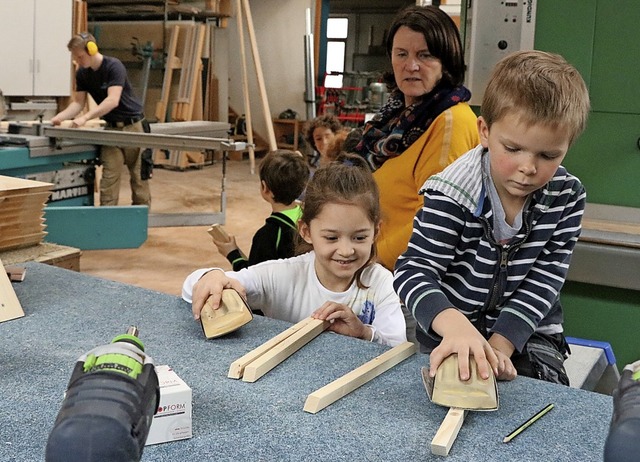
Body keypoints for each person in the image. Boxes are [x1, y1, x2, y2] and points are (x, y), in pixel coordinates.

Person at [393, 50, 591, 385]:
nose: (528, 168)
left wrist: (501, 345)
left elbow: (545, 280)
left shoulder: (567, 196)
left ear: (568, 145)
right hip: (450, 327)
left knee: (540, 401)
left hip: (528, 330)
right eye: (513, 149)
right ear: (484, 131)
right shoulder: (453, 194)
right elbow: (413, 272)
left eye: (548, 155)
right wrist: (456, 328)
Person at [183, 155, 407, 347]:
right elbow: (190, 287)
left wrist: (363, 333)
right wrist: (212, 276)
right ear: (306, 231)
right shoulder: (282, 275)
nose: (346, 250)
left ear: (376, 231)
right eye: (331, 237)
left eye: (359, 237)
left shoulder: (381, 283)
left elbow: (397, 345)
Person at [350, 6, 479, 272]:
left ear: (447, 61)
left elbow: (435, 218)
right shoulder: (396, 118)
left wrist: (370, 260)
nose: (411, 65)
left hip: (408, 278)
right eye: (401, 54)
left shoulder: (450, 122)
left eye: (425, 55)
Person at [51, 32, 151, 207]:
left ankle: (139, 226)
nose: (78, 60)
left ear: (91, 50)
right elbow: (78, 103)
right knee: (109, 181)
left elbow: (113, 100)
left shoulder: (114, 66)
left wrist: (86, 118)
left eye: (80, 56)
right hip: (111, 130)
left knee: (139, 180)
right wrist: (60, 118)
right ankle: (107, 226)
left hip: (134, 127)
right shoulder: (82, 73)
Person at [211, 150, 310, 271]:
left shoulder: (268, 235)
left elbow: (254, 280)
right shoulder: (311, 215)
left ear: (264, 187)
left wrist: (232, 254)